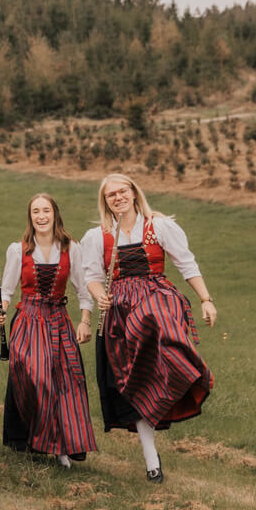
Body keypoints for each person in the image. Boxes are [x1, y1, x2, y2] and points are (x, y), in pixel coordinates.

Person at [81, 173, 217, 483]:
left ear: (133, 193)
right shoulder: (97, 236)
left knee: (159, 331)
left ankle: (186, 375)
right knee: (135, 384)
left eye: (123, 191)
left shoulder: (159, 226)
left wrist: (206, 299)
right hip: (120, 312)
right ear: (105, 202)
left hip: (155, 304)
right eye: (111, 194)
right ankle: (151, 460)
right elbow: (90, 275)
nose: (118, 197)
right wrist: (100, 295)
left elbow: (186, 263)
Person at [0, 193, 97, 468]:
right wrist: (1, 310)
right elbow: (7, 289)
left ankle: (63, 446)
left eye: (46, 211)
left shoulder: (71, 248)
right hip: (27, 320)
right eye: (36, 211)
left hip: (58, 320)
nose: (41, 216)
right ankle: (39, 437)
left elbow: (83, 291)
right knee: (36, 379)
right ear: (30, 217)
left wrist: (84, 320)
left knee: (67, 382)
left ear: (55, 214)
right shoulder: (19, 250)